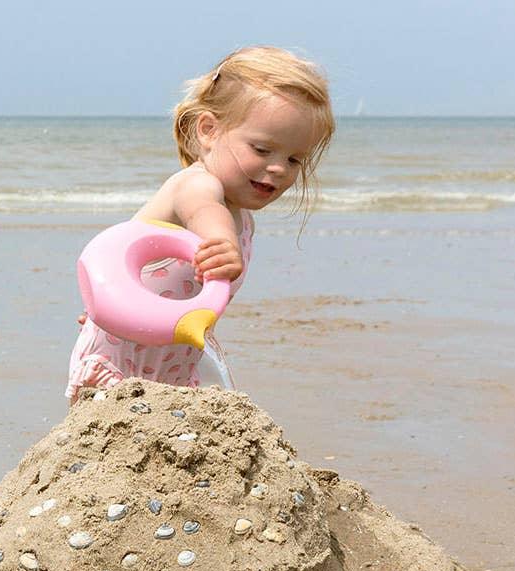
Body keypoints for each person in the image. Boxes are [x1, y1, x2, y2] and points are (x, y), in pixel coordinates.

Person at [66, 46, 335, 403]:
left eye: (294, 159)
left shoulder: (245, 219)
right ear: (209, 130)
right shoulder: (196, 185)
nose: (279, 168)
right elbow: (204, 211)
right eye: (261, 149)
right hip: (120, 359)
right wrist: (222, 242)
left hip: (171, 360)